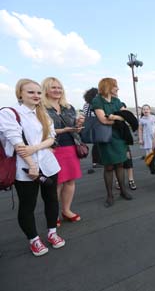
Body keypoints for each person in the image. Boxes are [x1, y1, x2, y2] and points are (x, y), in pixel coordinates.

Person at [0, 79, 65, 256]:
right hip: (24, 168)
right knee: (28, 205)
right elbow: (17, 143)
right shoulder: (9, 113)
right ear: (20, 93)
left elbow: (51, 138)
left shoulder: (42, 113)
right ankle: (34, 239)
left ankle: (52, 232)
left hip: (48, 164)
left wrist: (35, 148)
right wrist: (32, 165)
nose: (36, 96)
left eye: (38, 92)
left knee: (52, 199)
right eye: (31, 92)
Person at [42, 77, 84, 226]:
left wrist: (78, 125)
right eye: (53, 87)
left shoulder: (68, 107)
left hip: (71, 146)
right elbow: (42, 130)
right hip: (53, 148)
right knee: (57, 183)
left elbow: (73, 127)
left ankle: (66, 210)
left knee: (70, 181)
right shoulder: (40, 107)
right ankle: (54, 214)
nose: (57, 90)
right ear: (46, 89)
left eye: (59, 87)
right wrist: (63, 130)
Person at [92, 78, 133, 207]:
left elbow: (128, 116)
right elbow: (103, 120)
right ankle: (110, 195)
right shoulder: (97, 100)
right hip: (106, 138)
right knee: (109, 166)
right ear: (108, 86)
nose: (117, 88)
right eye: (116, 86)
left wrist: (113, 117)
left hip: (119, 137)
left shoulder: (117, 101)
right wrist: (120, 119)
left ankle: (123, 191)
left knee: (120, 164)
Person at [83, 87, 101, 173]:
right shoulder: (94, 104)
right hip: (96, 125)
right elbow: (94, 115)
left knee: (97, 144)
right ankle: (96, 161)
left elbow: (86, 115)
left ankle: (96, 161)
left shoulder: (86, 104)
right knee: (97, 144)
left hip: (91, 125)